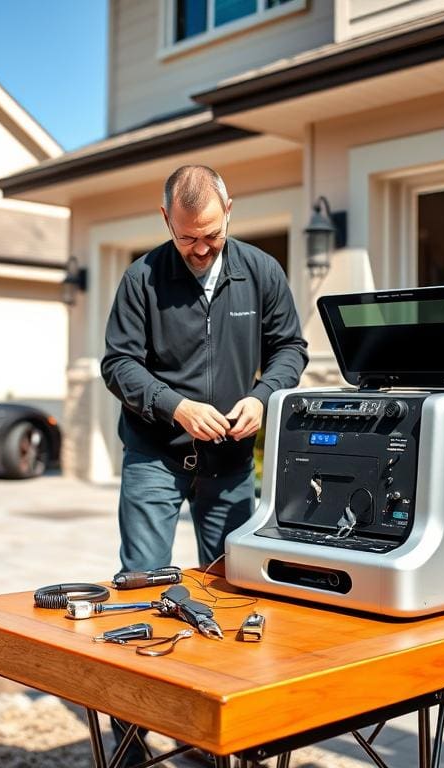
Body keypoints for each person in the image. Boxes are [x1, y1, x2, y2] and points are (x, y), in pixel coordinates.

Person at [101, 165, 308, 573]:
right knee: (144, 578)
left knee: (233, 580)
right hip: (153, 459)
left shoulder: (262, 271)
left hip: (230, 460)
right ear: (166, 219)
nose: (200, 249)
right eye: (187, 238)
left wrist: (262, 398)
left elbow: (290, 348)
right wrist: (178, 407)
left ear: (229, 211)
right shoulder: (140, 278)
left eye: (212, 235)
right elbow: (118, 363)